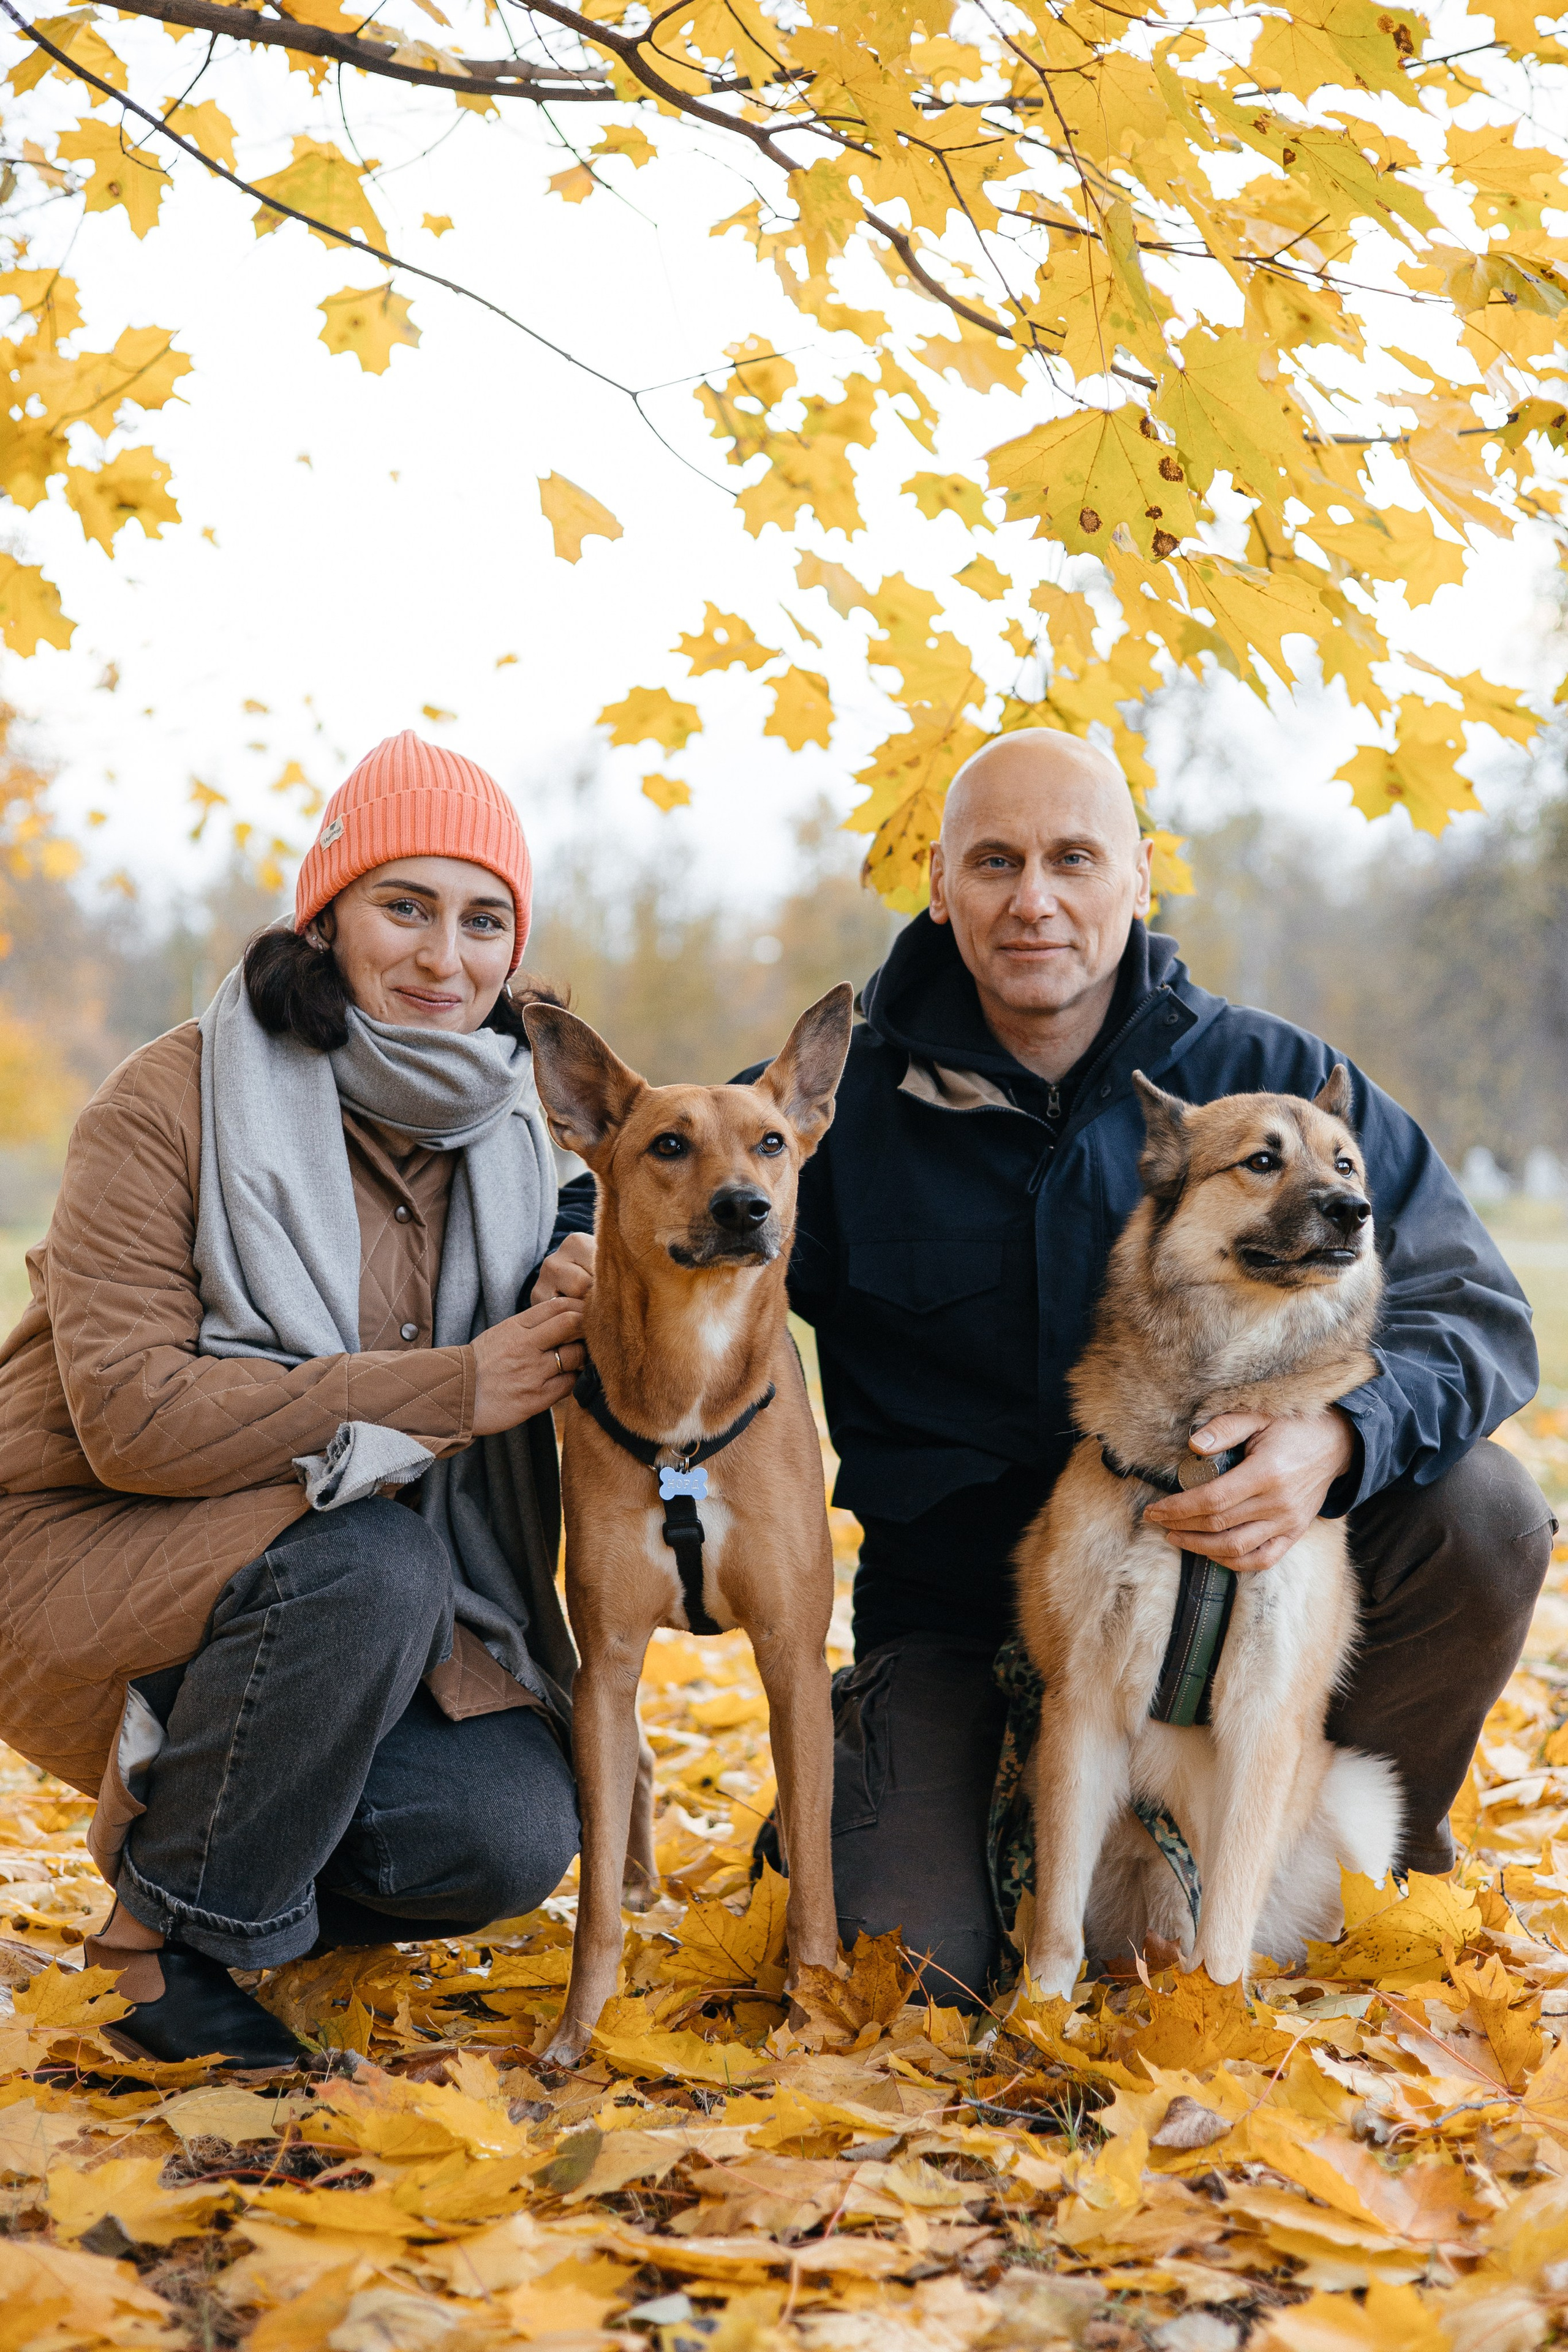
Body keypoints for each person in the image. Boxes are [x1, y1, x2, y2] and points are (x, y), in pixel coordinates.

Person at [560, 726, 1554, 2004]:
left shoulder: (1265, 1086)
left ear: (1138, 876)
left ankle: (1337, 1855)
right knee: (909, 1970)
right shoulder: (834, 1104)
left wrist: (1338, 1440)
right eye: (994, 861)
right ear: (939, 882)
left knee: (1480, 1510)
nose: (1033, 899)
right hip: (959, 1617)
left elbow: (1471, 1309)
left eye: (1072, 859)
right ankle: (896, 1801)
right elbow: (650, 1179)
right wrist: (555, 1259)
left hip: (1226, 1581)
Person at [0, 732, 595, 2064]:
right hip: (81, 1548)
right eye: (405, 906)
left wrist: (593, 1271)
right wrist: (449, 1387)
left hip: (330, 1598)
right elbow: (134, 1420)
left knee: (504, 1833)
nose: (445, 957)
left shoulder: (519, 1137)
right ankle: (157, 1953)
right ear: (322, 917)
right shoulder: (170, 1103)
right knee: (371, 1565)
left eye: (483, 919)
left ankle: (241, 1884)